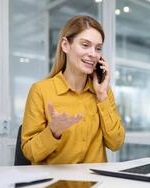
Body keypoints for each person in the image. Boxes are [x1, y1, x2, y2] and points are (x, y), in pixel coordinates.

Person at [21, 16, 125, 165]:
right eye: (85, 45)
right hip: (57, 184)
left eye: (98, 48)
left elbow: (116, 143)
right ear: (65, 45)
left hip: (97, 184)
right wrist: (53, 132)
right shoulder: (41, 91)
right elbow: (30, 153)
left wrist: (102, 96)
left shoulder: (103, 92)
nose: (93, 54)